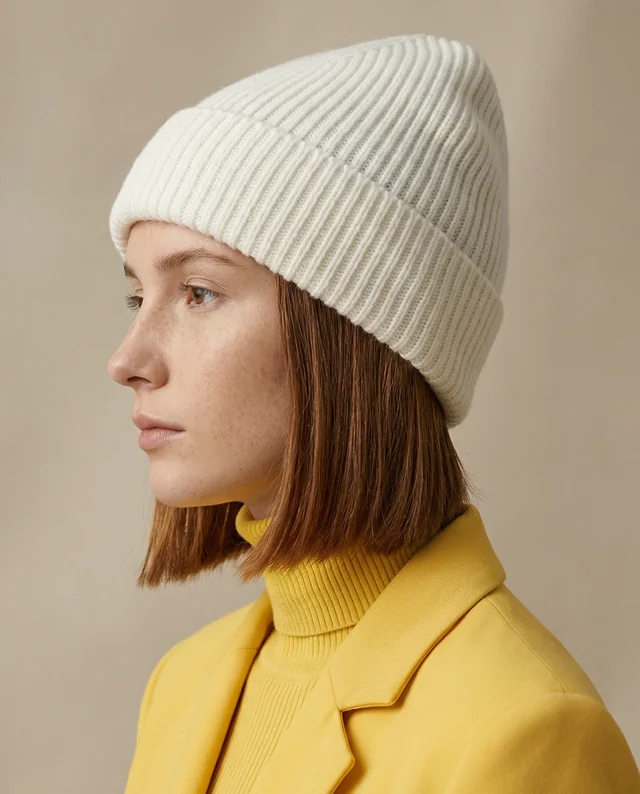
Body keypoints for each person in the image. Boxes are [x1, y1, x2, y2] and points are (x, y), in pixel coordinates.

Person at [107, 33, 640, 794]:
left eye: (199, 292)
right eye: (137, 295)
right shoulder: (183, 685)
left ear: (354, 332)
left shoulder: (526, 728)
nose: (127, 358)